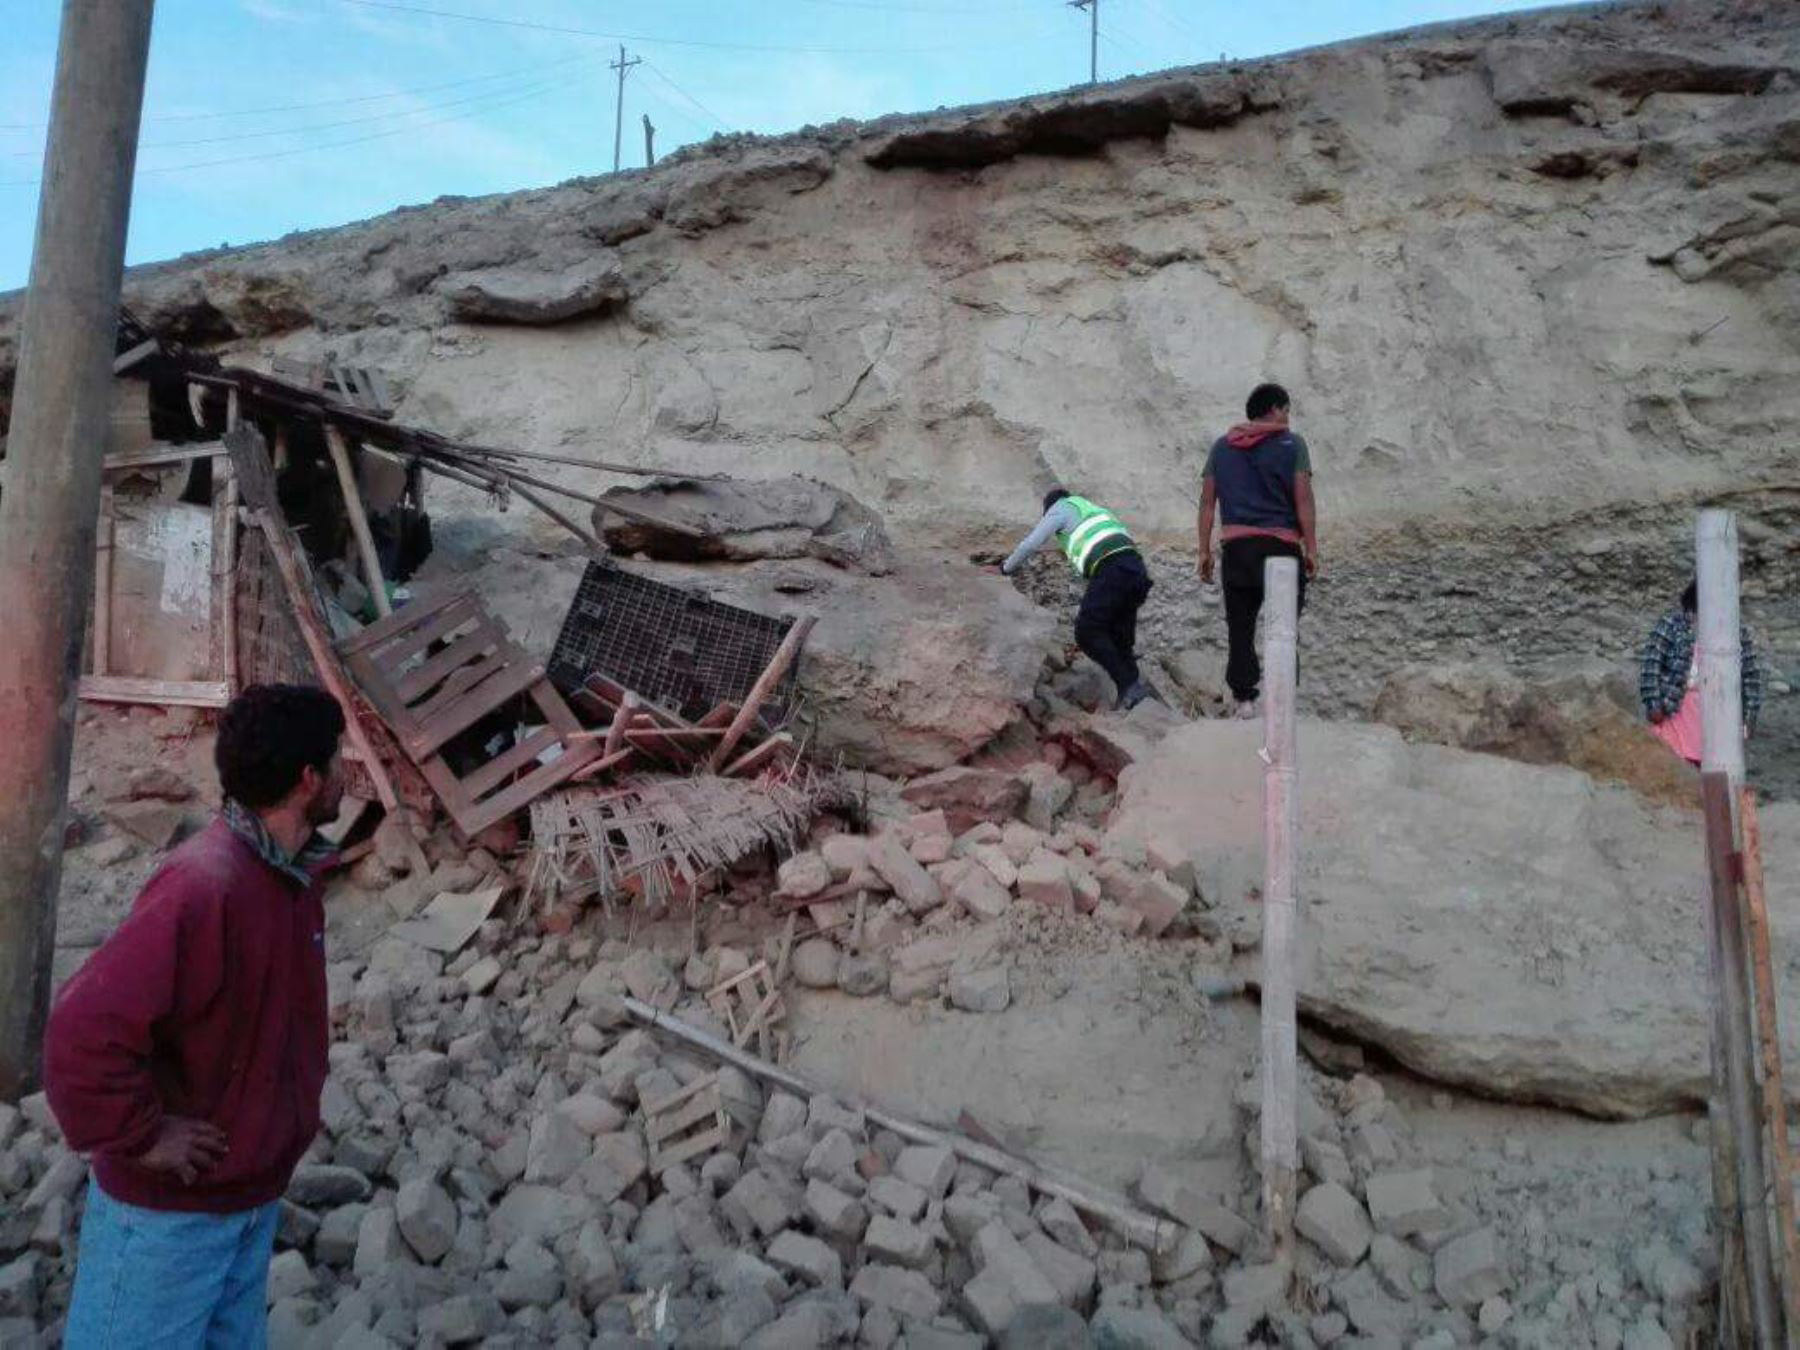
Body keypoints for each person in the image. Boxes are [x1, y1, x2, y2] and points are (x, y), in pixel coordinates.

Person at [47, 684, 346, 1349]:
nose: (346, 773)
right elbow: (79, 1032)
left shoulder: (291, 877)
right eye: (339, 758)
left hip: (245, 1199)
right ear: (309, 780)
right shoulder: (205, 887)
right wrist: (142, 1136)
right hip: (168, 1220)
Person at [1197, 382, 1319, 717]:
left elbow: (1208, 503)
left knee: (1240, 627)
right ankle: (1281, 702)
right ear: (1277, 409)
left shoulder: (1221, 448)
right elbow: (1303, 499)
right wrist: (1311, 547)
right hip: (1281, 549)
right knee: (1282, 628)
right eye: (1287, 410)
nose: (1288, 417)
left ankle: (1245, 700)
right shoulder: (1293, 445)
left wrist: (1203, 551)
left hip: (1237, 551)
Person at [1001, 487, 1160, 709]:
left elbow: (1031, 543)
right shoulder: (1095, 511)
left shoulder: (1060, 508)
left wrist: (1005, 569)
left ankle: (1131, 687)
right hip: (1136, 570)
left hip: (1112, 569)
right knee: (1120, 638)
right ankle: (1137, 699)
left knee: (1087, 632)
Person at [1638, 580, 1764, 765]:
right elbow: (1651, 664)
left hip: (1720, 711)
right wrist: (1653, 703)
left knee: (1717, 769)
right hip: (1676, 707)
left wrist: (1749, 717)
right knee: (1674, 764)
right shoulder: (1673, 623)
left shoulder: (1736, 630)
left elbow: (1750, 675)